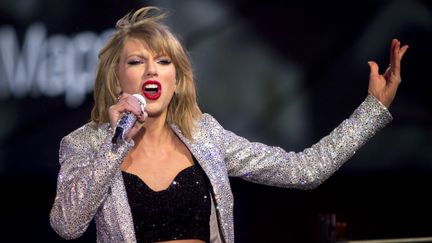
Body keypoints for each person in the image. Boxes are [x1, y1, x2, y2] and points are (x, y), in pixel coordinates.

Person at [49, 6, 409, 243]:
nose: (151, 70)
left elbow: (305, 170)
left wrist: (372, 110)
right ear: (117, 78)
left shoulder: (204, 135)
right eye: (136, 62)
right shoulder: (86, 144)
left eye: (162, 61)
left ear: (176, 78)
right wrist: (116, 145)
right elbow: (67, 224)